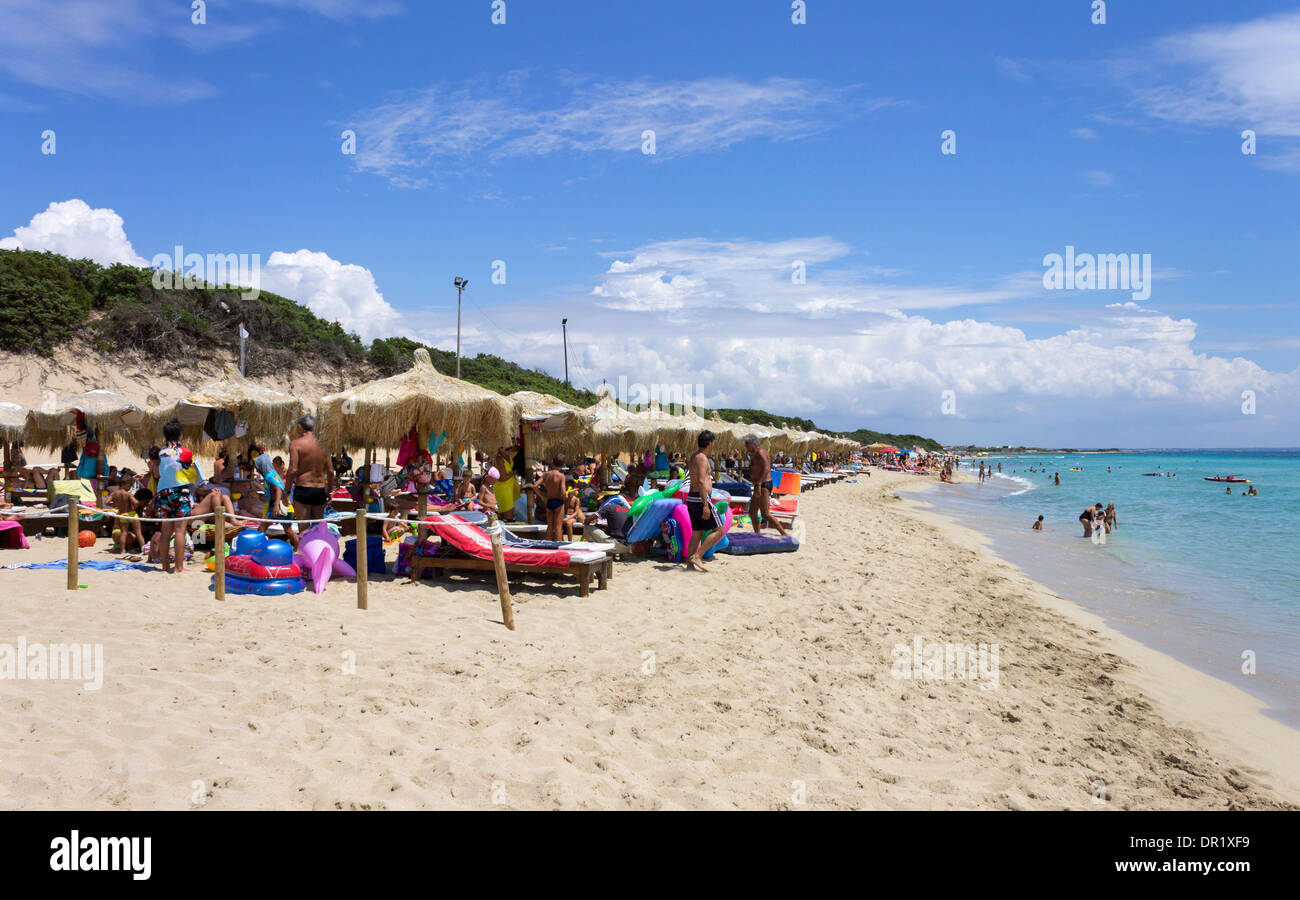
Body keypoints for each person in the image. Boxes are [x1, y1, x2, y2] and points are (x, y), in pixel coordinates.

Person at [155, 419, 202, 573]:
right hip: (180, 491)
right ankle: (178, 567)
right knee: (180, 530)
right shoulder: (186, 452)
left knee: (166, 530)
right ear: (180, 435)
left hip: (163, 492)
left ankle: (165, 566)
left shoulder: (160, 453)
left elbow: (157, 473)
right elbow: (195, 476)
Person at [686, 431, 725, 572]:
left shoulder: (693, 456)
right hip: (700, 498)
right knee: (719, 530)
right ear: (709, 444)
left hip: (692, 497)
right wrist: (705, 505)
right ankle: (697, 556)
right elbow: (702, 481)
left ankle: (689, 565)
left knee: (696, 533)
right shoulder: (702, 458)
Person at [285, 414, 332, 527]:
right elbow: (330, 471)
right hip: (320, 489)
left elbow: (292, 470)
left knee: (303, 528)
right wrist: (329, 491)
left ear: (300, 427)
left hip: (303, 488)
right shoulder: (324, 445)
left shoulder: (296, 444)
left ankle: (303, 545)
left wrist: (286, 492)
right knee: (319, 527)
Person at [744, 434, 787, 536]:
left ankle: (784, 533)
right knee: (752, 512)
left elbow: (767, 468)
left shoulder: (761, 452)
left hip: (763, 484)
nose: (745, 446)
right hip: (759, 485)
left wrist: (758, 484)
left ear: (753, 443)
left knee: (765, 514)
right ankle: (757, 534)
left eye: (747, 444)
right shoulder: (754, 454)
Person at [107, 479, 144, 553]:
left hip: (122, 514)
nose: (129, 487)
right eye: (129, 485)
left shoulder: (114, 494)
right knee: (138, 532)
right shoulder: (128, 494)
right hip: (131, 513)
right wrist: (134, 507)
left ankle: (123, 550)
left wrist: (115, 505)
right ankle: (143, 550)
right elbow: (136, 502)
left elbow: (106, 502)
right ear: (124, 484)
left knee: (124, 533)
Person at [535, 457, 567, 541]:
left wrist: (542, 496)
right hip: (558, 501)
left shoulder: (546, 474)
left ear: (552, 462)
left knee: (550, 526)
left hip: (549, 501)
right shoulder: (561, 476)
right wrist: (566, 495)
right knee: (558, 526)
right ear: (563, 465)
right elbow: (563, 492)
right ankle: (559, 546)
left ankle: (548, 545)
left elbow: (535, 486)